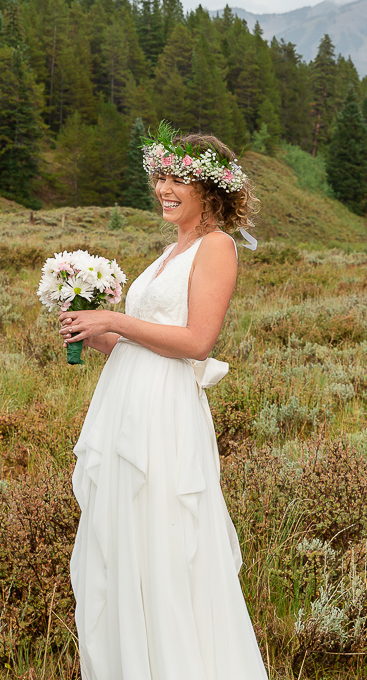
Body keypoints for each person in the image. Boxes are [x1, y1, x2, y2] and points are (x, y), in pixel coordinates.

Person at [59, 126, 267, 680]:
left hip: (165, 417)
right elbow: (145, 344)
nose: (163, 188)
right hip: (130, 403)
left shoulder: (216, 247)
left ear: (210, 189)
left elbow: (198, 341)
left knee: (168, 547)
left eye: (178, 179)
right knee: (127, 546)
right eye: (159, 177)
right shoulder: (171, 250)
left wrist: (114, 319)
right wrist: (95, 332)